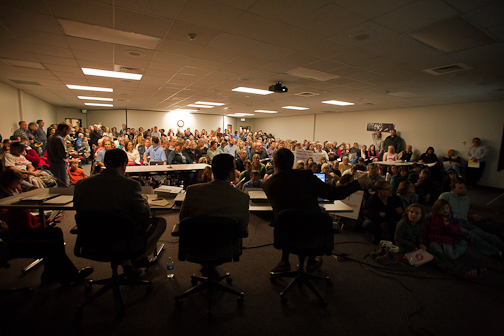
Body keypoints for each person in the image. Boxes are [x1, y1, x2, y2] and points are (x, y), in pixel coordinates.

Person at [263, 148, 371, 273]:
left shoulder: (267, 184)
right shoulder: (306, 176)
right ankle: (311, 261)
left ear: (274, 164)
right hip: (312, 231)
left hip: (287, 232)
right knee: (313, 219)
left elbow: (284, 207)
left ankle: (284, 261)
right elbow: (334, 193)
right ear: (292, 163)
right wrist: (357, 184)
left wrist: (310, 208)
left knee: (289, 219)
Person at [74, 149, 167, 277]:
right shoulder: (131, 185)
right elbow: (144, 214)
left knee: (116, 225)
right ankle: (138, 257)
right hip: (122, 239)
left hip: (91, 239)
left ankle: (127, 264)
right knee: (159, 222)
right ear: (124, 165)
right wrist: (144, 200)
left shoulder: (82, 184)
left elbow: (78, 208)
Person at [180, 153, 249, 276]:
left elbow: (182, 219)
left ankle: (206, 265)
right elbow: (242, 228)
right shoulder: (242, 197)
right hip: (225, 248)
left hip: (195, 245)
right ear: (230, 174)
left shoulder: (192, 191)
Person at [394, 204, 486, 280]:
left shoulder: (419, 224)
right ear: (407, 213)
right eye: (411, 212)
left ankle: (464, 269)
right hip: (406, 249)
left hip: (416, 246)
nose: (413, 215)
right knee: (434, 259)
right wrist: (412, 246)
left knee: (440, 255)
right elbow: (398, 238)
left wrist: (421, 243)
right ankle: (461, 273)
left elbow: (418, 237)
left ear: (421, 215)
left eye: (417, 213)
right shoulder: (403, 224)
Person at [439, 180, 504, 259]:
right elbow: (437, 210)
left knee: (487, 235)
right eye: (460, 188)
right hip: (452, 222)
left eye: (464, 188)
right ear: (453, 189)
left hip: (465, 222)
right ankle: (496, 253)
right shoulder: (446, 196)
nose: (464, 190)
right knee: (472, 236)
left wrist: (471, 216)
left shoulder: (466, 199)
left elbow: (464, 214)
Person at [47, 122, 72, 187]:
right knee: (63, 184)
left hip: (52, 163)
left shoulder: (50, 137)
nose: (69, 132)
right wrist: (71, 153)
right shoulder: (59, 138)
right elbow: (63, 154)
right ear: (64, 129)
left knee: (57, 183)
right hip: (59, 164)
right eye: (68, 130)